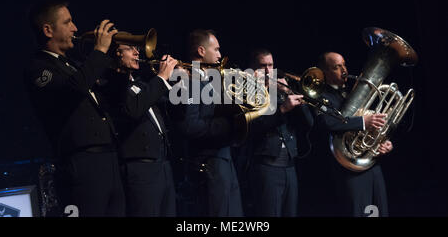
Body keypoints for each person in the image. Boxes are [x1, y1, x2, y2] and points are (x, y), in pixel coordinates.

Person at [24, 0, 125, 216]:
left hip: (109, 160)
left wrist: (119, 70)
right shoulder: (38, 68)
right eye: (68, 22)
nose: (75, 28)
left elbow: (112, 98)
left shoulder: (73, 65)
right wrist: (99, 51)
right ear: (48, 30)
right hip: (82, 165)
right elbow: (74, 89)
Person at [314, 51, 393, 217]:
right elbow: (327, 122)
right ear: (325, 73)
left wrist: (382, 141)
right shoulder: (320, 96)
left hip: (370, 163)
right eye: (337, 67)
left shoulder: (352, 91)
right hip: (349, 168)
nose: (344, 70)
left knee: (380, 212)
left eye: (344, 65)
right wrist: (364, 122)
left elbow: (374, 125)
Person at [174, 29, 243, 217]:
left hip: (225, 158)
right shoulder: (189, 79)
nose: (220, 55)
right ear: (201, 51)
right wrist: (228, 125)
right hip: (208, 163)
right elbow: (189, 126)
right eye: (217, 49)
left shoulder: (212, 79)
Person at [103, 43, 178, 216]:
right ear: (117, 53)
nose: (138, 52)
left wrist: (182, 82)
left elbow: (175, 111)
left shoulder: (142, 85)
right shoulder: (110, 85)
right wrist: (161, 77)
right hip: (140, 169)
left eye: (137, 48)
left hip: (162, 165)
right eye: (130, 48)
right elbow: (133, 110)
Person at [244, 48, 314, 217]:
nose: (268, 71)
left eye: (271, 65)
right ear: (252, 69)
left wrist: (289, 92)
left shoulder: (280, 91)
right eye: (262, 66)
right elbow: (253, 128)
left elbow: (308, 123)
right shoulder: (246, 93)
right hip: (266, 167)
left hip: (289, 166)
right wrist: (282, 108)